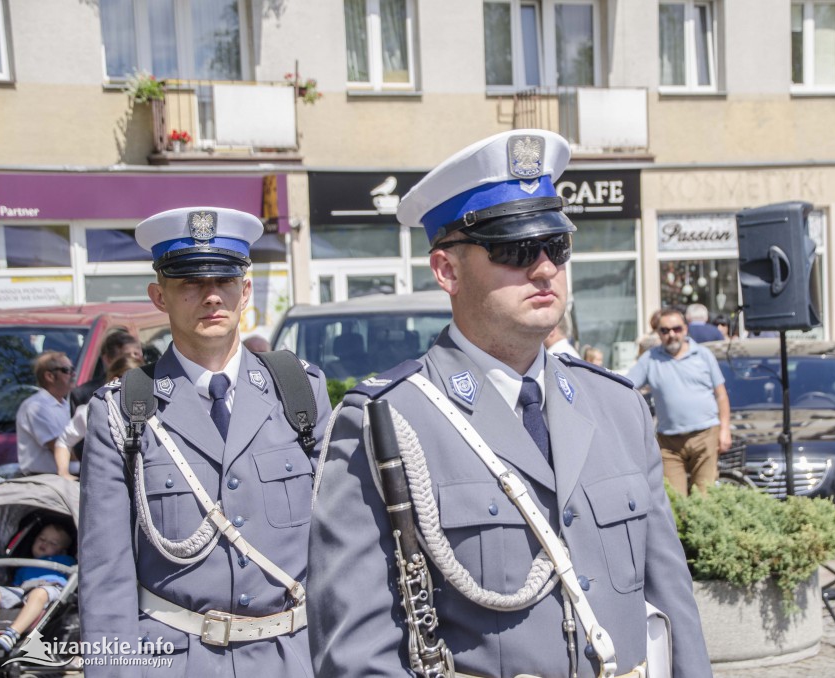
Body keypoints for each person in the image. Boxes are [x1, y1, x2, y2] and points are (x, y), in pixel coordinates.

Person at [308, 130, 711, 677]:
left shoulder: (618, 406)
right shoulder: (386, 421)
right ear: (448, 270)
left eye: (557, 246)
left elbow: (672, 601)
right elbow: (357, 656)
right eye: (516, 249)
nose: (544, 268)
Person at [79, 207, 333, 677]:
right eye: (191, 283)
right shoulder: (123, 410)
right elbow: (105, 576)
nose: (212, 296)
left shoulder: (299, 392)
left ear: (246, 290)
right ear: (160, 296)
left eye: (225, 280)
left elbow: (339, 546)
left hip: (294, 659)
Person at [627, 307, 731, 495]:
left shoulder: (703, 355)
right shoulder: (650, 359)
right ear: (658, 333)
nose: (671, 335)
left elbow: (721, 395)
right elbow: (626, 385)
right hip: (669, 443)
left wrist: (725, 430)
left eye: (676, 329)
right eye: (664, 331)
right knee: (673, 501)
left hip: (704, 436)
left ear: (685, 329)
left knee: (704, 498)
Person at [53, 355, 144, 481]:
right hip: (104, 482)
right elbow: (63, 442)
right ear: (115, 381)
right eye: (133, 381)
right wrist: (63, 473)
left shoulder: (151, 410)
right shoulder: (92, 411)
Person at [0, 523, 76, 653]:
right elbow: (15, 586)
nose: (45, 544)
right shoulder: (23, 565)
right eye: (41, 539)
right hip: (24, 589)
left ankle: (13, 633)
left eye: (52, 543)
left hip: (51, 587)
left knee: (39, 593)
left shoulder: (66, 560)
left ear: (62, 550)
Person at [16, 351, 76, 476]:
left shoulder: (65, 405)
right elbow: (61, 448)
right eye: (67, 370)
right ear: (49, 376)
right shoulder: (36, 407)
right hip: (46, 482)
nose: (73, 374)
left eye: (72, 369)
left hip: (67, 479)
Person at [69, 329, 143, 413]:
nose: (135, 361)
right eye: (126, 357)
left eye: (137, 355)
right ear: (107, 359)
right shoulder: (83, 396)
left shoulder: (152, 388)